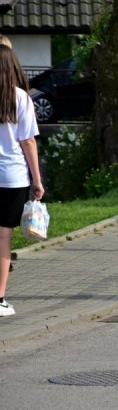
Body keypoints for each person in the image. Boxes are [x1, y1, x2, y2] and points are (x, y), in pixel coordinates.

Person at [0, 45, 45, 316]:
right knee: (3, 237)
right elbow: (28, 141)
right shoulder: (20, 98)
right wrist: (37, 180)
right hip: (12, 177)